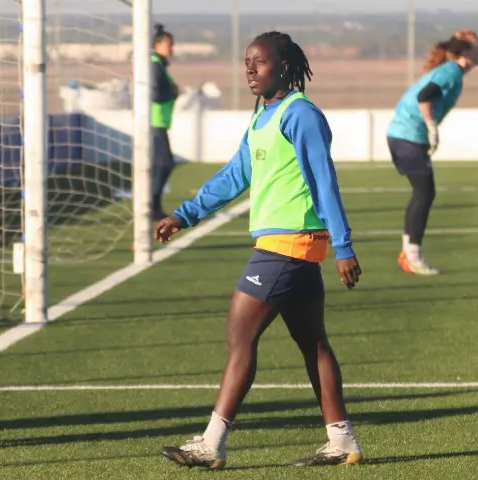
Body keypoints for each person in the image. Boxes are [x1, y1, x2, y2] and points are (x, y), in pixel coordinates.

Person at [155, 31, 363, 470]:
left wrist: (344, 245)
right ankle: (341, 440)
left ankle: (212, 443)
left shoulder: (300, 114)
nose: (250, 70)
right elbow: (234, 176)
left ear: (284, 66)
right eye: (246, 62)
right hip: (291, 248)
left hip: (286, 246)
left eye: (260, 62)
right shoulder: (263, 116)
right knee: (314, 344)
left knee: (241, 336)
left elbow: (324, 181)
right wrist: (186, 214)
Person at [386, 30, 478, 275]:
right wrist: (431, 127)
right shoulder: (451, 71)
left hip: (403, 135)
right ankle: (412, 256)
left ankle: (409, 253)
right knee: (425, 193)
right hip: (408, 135)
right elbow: (424, 96)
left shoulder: (453, 72)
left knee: (423, 193)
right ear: (467, 52)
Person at [150, 23, 179, 221]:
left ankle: (153, 205)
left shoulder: (159, 65)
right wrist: (173, 92)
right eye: (169, 44)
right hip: (154, 123)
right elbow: (155, 93)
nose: (171, 49)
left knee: (161, 165)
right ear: (157, 44)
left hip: (159, 122)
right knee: (164, 164)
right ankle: (152, 205)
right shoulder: (154, 65)